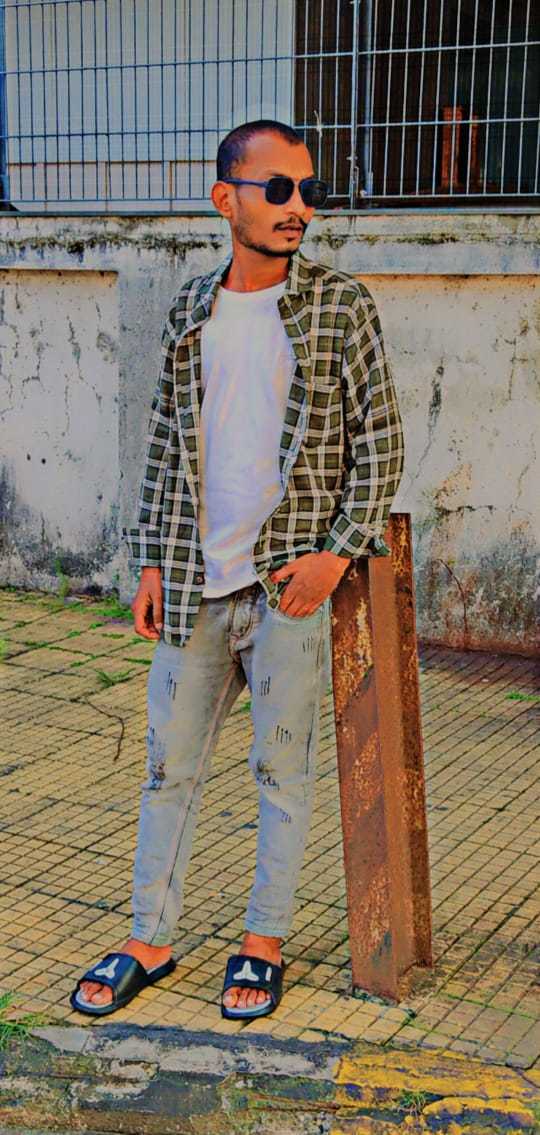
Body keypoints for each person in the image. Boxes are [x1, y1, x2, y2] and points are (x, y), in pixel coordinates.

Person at [69, 119, 405, 1021]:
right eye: (279, 189)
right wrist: (151, 561)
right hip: (194, 581)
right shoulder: (192, 308)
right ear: (227, 199)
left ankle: (262, 941)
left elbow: (380, 441)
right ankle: (150, 936)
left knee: (280, 771)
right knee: (167, 768)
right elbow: (164, 441)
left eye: (309, 191)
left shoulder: (340, 305)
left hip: (287, 587)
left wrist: (335, 554)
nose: (300, 208)